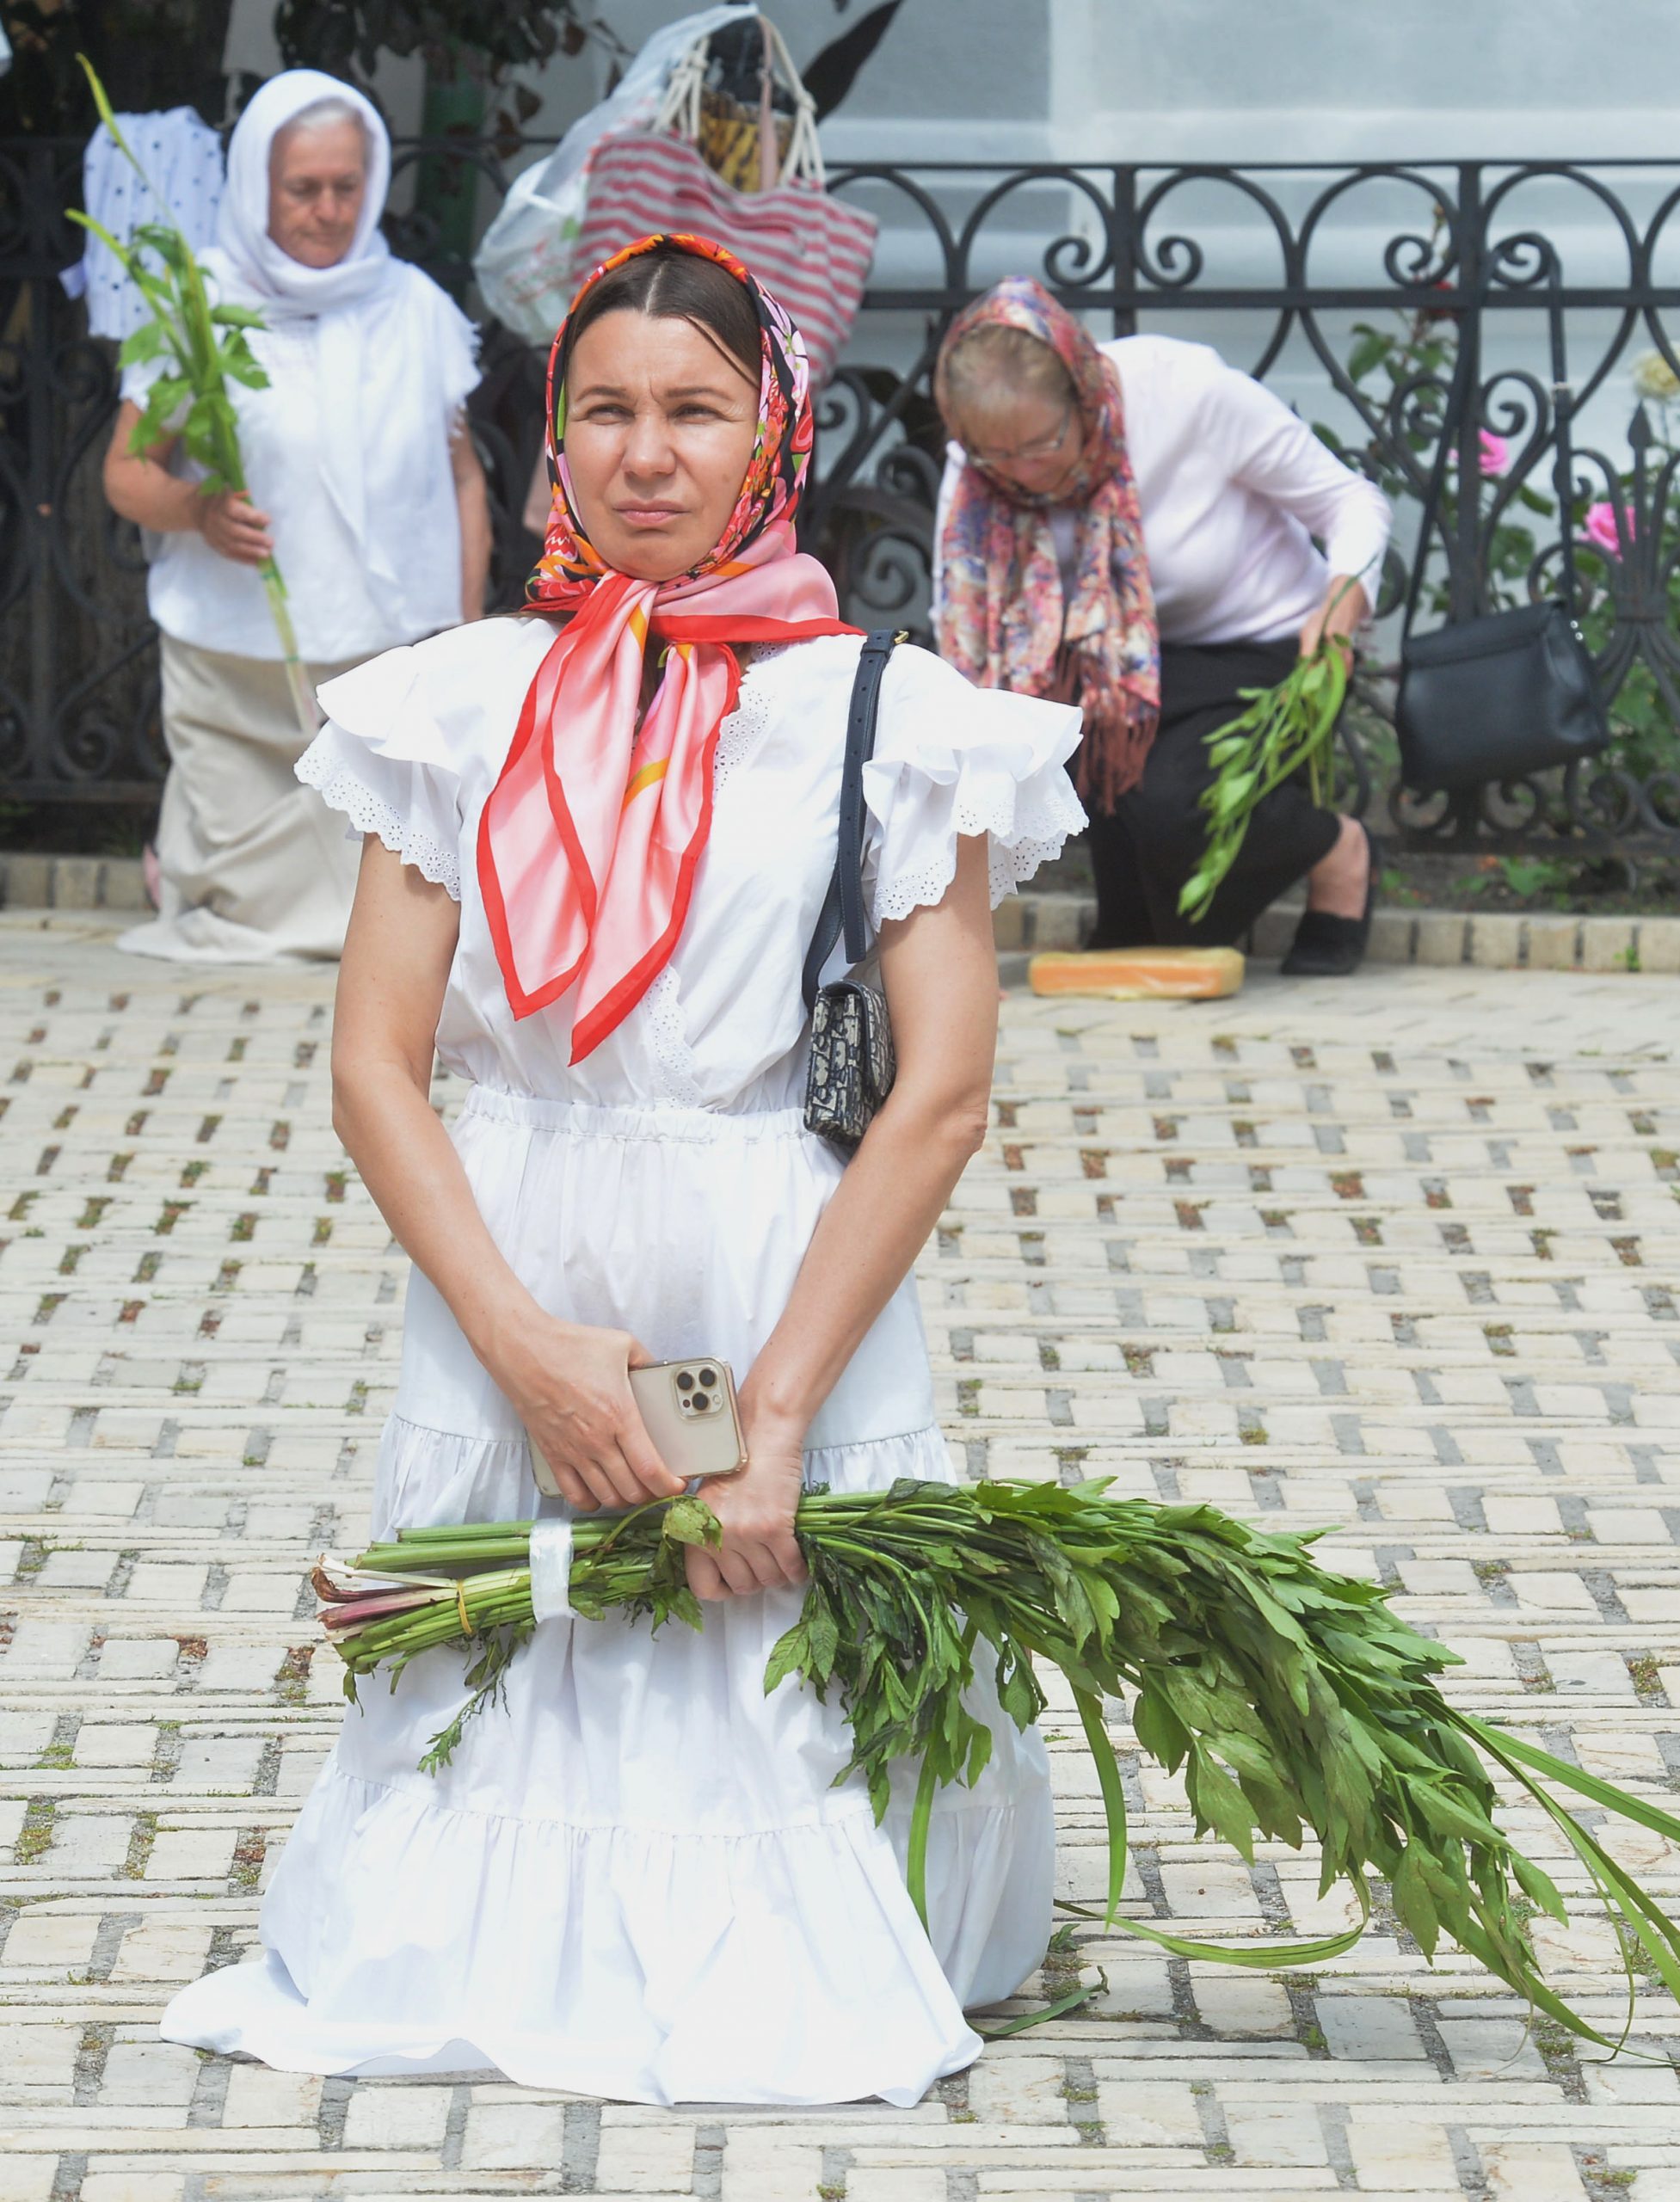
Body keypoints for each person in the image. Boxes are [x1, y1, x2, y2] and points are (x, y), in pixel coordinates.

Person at [156, 234, 1087, 2104]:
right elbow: (374, 1064)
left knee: (771, 1681)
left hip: (777, 1272)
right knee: (518, 1675)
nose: (644, 453)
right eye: (603, 410)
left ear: (773, 432)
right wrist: (521, 1342)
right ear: (555, 439)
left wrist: (779, 1412)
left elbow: (942, 1096)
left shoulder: (886, 715)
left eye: (692, 410)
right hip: (518, 1269)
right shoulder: (451, 699)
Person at [103, 69, 490, 966]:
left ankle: (194, 868)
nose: (327, 211)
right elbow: (126, 473)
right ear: (255, 187)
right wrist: (196, 510)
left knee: (374, 900)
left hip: (381, 658)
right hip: (230, 659)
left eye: (346, 188)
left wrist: (467, 625)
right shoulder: (200, 308)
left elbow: (461, 475)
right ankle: (199, 867)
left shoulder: (417, 308)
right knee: (250, 907)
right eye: (302, 189)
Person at [933, 280, 1394, 976]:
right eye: (996, 457)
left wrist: (1340, 606)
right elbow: (963, 628)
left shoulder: (1187, 396)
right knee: (1146, 928)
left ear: (1082, 393)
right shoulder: (977, 467)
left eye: (1040, 444)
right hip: (1108, 663)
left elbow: (1348, 501)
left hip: (1256, 639)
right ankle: (1151, 907)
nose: (1022, 475)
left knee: (1176, 808)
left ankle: (1338, 850)